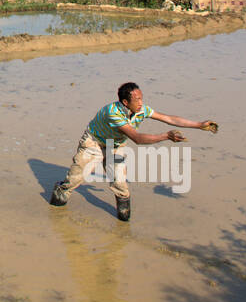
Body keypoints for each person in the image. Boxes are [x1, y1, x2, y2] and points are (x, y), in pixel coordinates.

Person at [49, 81, 217, 222]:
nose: (141, 103)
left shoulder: (141, 110)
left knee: (120, 183)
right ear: (125, 102)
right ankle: (56, 205)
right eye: (137, 100)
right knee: (76, 176)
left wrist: (199, 125)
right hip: (94, 141)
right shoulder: (113, 113)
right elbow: (137, 138)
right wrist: (166, 136)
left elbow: (169, 118)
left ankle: (123, 221)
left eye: (141, 98)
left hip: (115, 145)